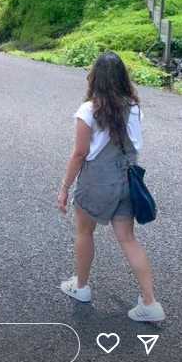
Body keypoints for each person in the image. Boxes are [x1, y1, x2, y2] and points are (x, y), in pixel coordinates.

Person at [57, 51, 165, 322]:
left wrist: (64, 187)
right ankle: (150, 303)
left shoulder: (88, 110)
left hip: (97, 181)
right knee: (128, 239)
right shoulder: (134, 107)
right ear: (122, 78)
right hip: (127, 179)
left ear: (95, 78)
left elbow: (79, 154)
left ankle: (80, 287)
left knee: (85, 232)